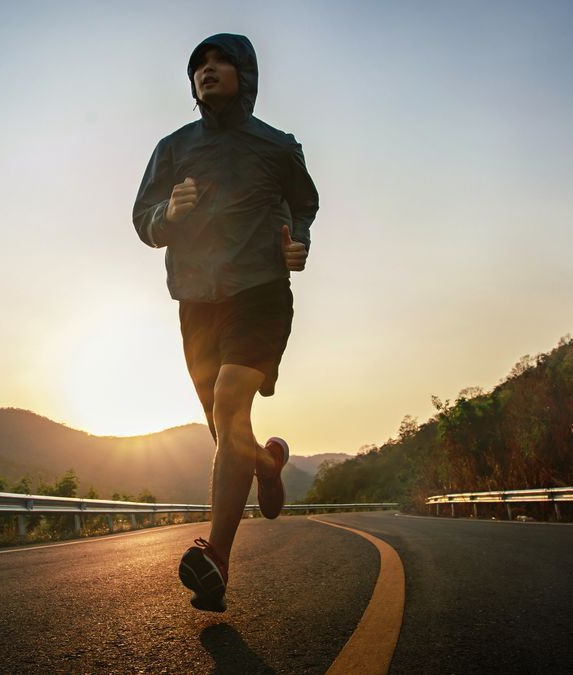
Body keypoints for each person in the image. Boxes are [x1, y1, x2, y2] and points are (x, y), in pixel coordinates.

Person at [132, 33, 319, 613]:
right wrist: (169, 213)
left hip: (261, 294)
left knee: (230, 403)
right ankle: (266, 462)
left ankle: (216, 557)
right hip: (196, 301)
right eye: (199, 66)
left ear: (246, 75)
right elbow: (142, 218)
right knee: (226, 430)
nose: (207, 71)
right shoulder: (172, 148)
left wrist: (299, 241)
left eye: (219, 63)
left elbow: (304, 204)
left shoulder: (279, 148)